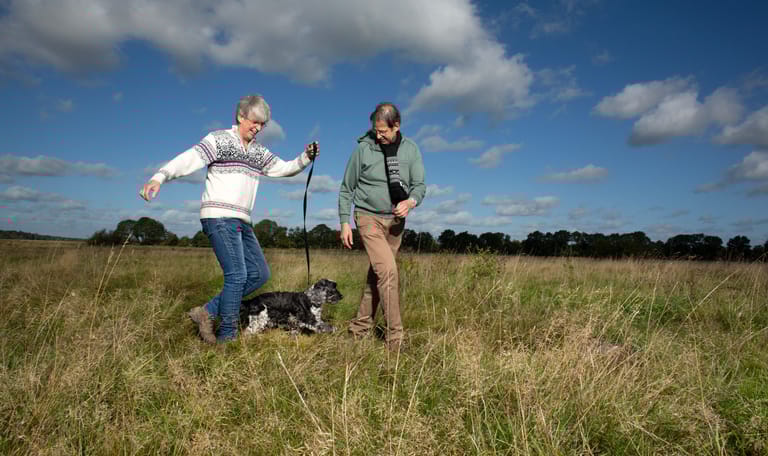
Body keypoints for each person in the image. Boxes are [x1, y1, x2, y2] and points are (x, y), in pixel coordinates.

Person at [140, 95, 319, 343]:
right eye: (254, 122)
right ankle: (227, 338)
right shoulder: (219, 139)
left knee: (259, 274)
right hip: (219, 216)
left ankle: (206, 312)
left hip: (242, 221)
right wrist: (159, 177)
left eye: (262, 125)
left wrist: (306, 157)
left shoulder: (258, 151)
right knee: (236, 275)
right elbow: (189, 158)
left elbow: (283, 168)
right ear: (241, 117)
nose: (257, 128)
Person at [338, 102, 426, 351]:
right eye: (375, 131)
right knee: (388, 273)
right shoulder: (363, 150)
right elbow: (347, 188)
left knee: (376, 277)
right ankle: (395, 339)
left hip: (396, 222)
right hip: (368, 218)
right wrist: (345, 222)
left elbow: (420, 186)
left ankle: (358, 329)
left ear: (396, 126)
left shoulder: (411, 150)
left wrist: (410, 202)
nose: (379, 135)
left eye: (383, 131)